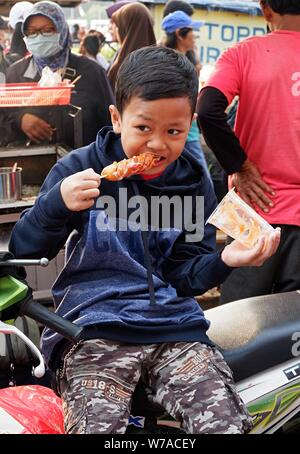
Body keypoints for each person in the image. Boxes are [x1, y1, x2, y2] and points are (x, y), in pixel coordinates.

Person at [9, 46, 281, 434]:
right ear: (118, 119)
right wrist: (57, 204)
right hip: (93, 328)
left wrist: (227, 259)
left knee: (225, 424)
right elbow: (24, 250)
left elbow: (186, 275)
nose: (157, 145)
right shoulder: (79, 169)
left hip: (174, 328)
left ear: (190, 125)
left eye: (174, 132)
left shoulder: (192, 180)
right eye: (143, 128)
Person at [197, 0, 300, 303]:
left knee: (240, 325)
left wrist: (239, 165)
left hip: (252, 213)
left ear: (266, 9)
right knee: (294, 328)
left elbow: (207, 109)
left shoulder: (243, 53)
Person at [4, 1, 114, 148]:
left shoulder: (91, 71)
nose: (39, 37)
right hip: (32, 163)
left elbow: (110, 122)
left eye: (48, 30)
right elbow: (3, 117)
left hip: (84, 163)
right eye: (32, 32)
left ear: (62, 30)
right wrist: (20, 120)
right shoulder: (16, 73)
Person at [161, 10, 211, 179]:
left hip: (188, 127)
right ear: (179, 34)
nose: (194, 37)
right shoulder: (169, 62)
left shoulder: (186, 59)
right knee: (204, 180)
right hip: (183, 130)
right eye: (191, 32)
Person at [107, 2, 156, 93]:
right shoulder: (159, 62)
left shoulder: (125, 66)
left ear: (126, 28)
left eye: (118, 25)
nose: (112, 29)